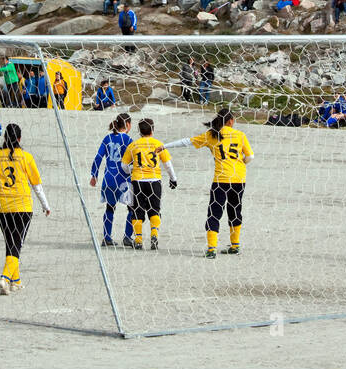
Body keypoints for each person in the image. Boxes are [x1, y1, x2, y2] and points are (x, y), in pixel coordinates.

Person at [0, 123, 51, 294]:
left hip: (2, 206)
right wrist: (45, 205)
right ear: (19, 139)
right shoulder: (26, 157)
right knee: (16, 244)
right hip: (22, 205)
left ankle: (15, 281)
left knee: (10, 242)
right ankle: (4, 278)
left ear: (4, 137)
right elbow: (36, 184)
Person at [191, 109, 252, 258]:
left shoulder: (211, 135)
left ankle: (212, 249)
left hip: (221, 180)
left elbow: (187, 141)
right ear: (231, 121)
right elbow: (250, 156)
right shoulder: (240, 135)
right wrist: (241, 163)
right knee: (235, 211)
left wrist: (165, 146)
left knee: (214, 213)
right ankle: (235, 245)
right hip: (238, 179)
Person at [122, 119, 178, 250]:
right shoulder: (158, 144)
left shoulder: (134, 145)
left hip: (138, 181)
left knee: (137, 210)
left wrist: (132, 169)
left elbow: (124, 165)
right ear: (152, 130)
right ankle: (154, 235)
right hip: (154, 181)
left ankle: (138, 240)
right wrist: (173, 179)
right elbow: (168, 164)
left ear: (139, 131)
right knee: (154, 209)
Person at [90, 113, 135, 246]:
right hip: (124, 179)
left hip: (109, 178)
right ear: (127, 125)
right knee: (132, 208)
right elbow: (133, 160)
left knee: (110, 208)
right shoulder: (128, 140)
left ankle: (107, 238)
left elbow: (98, 157)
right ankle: (127, 237)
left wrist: (94, 175)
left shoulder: (107, 138)